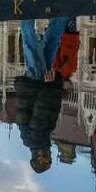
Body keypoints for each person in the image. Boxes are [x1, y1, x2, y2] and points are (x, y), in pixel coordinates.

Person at [14, 17, 78, 173]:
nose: (50, 157)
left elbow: (41, 108)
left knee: (31, 44)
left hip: (38, 83)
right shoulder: (37, 140)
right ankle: (61, 15)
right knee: (51, 43)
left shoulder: (37, 139)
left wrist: (51, 85)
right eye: (50, 160)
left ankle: (26, 14)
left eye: (46, 161)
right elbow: (48, 108)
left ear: (38, 159)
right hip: (40, 84)